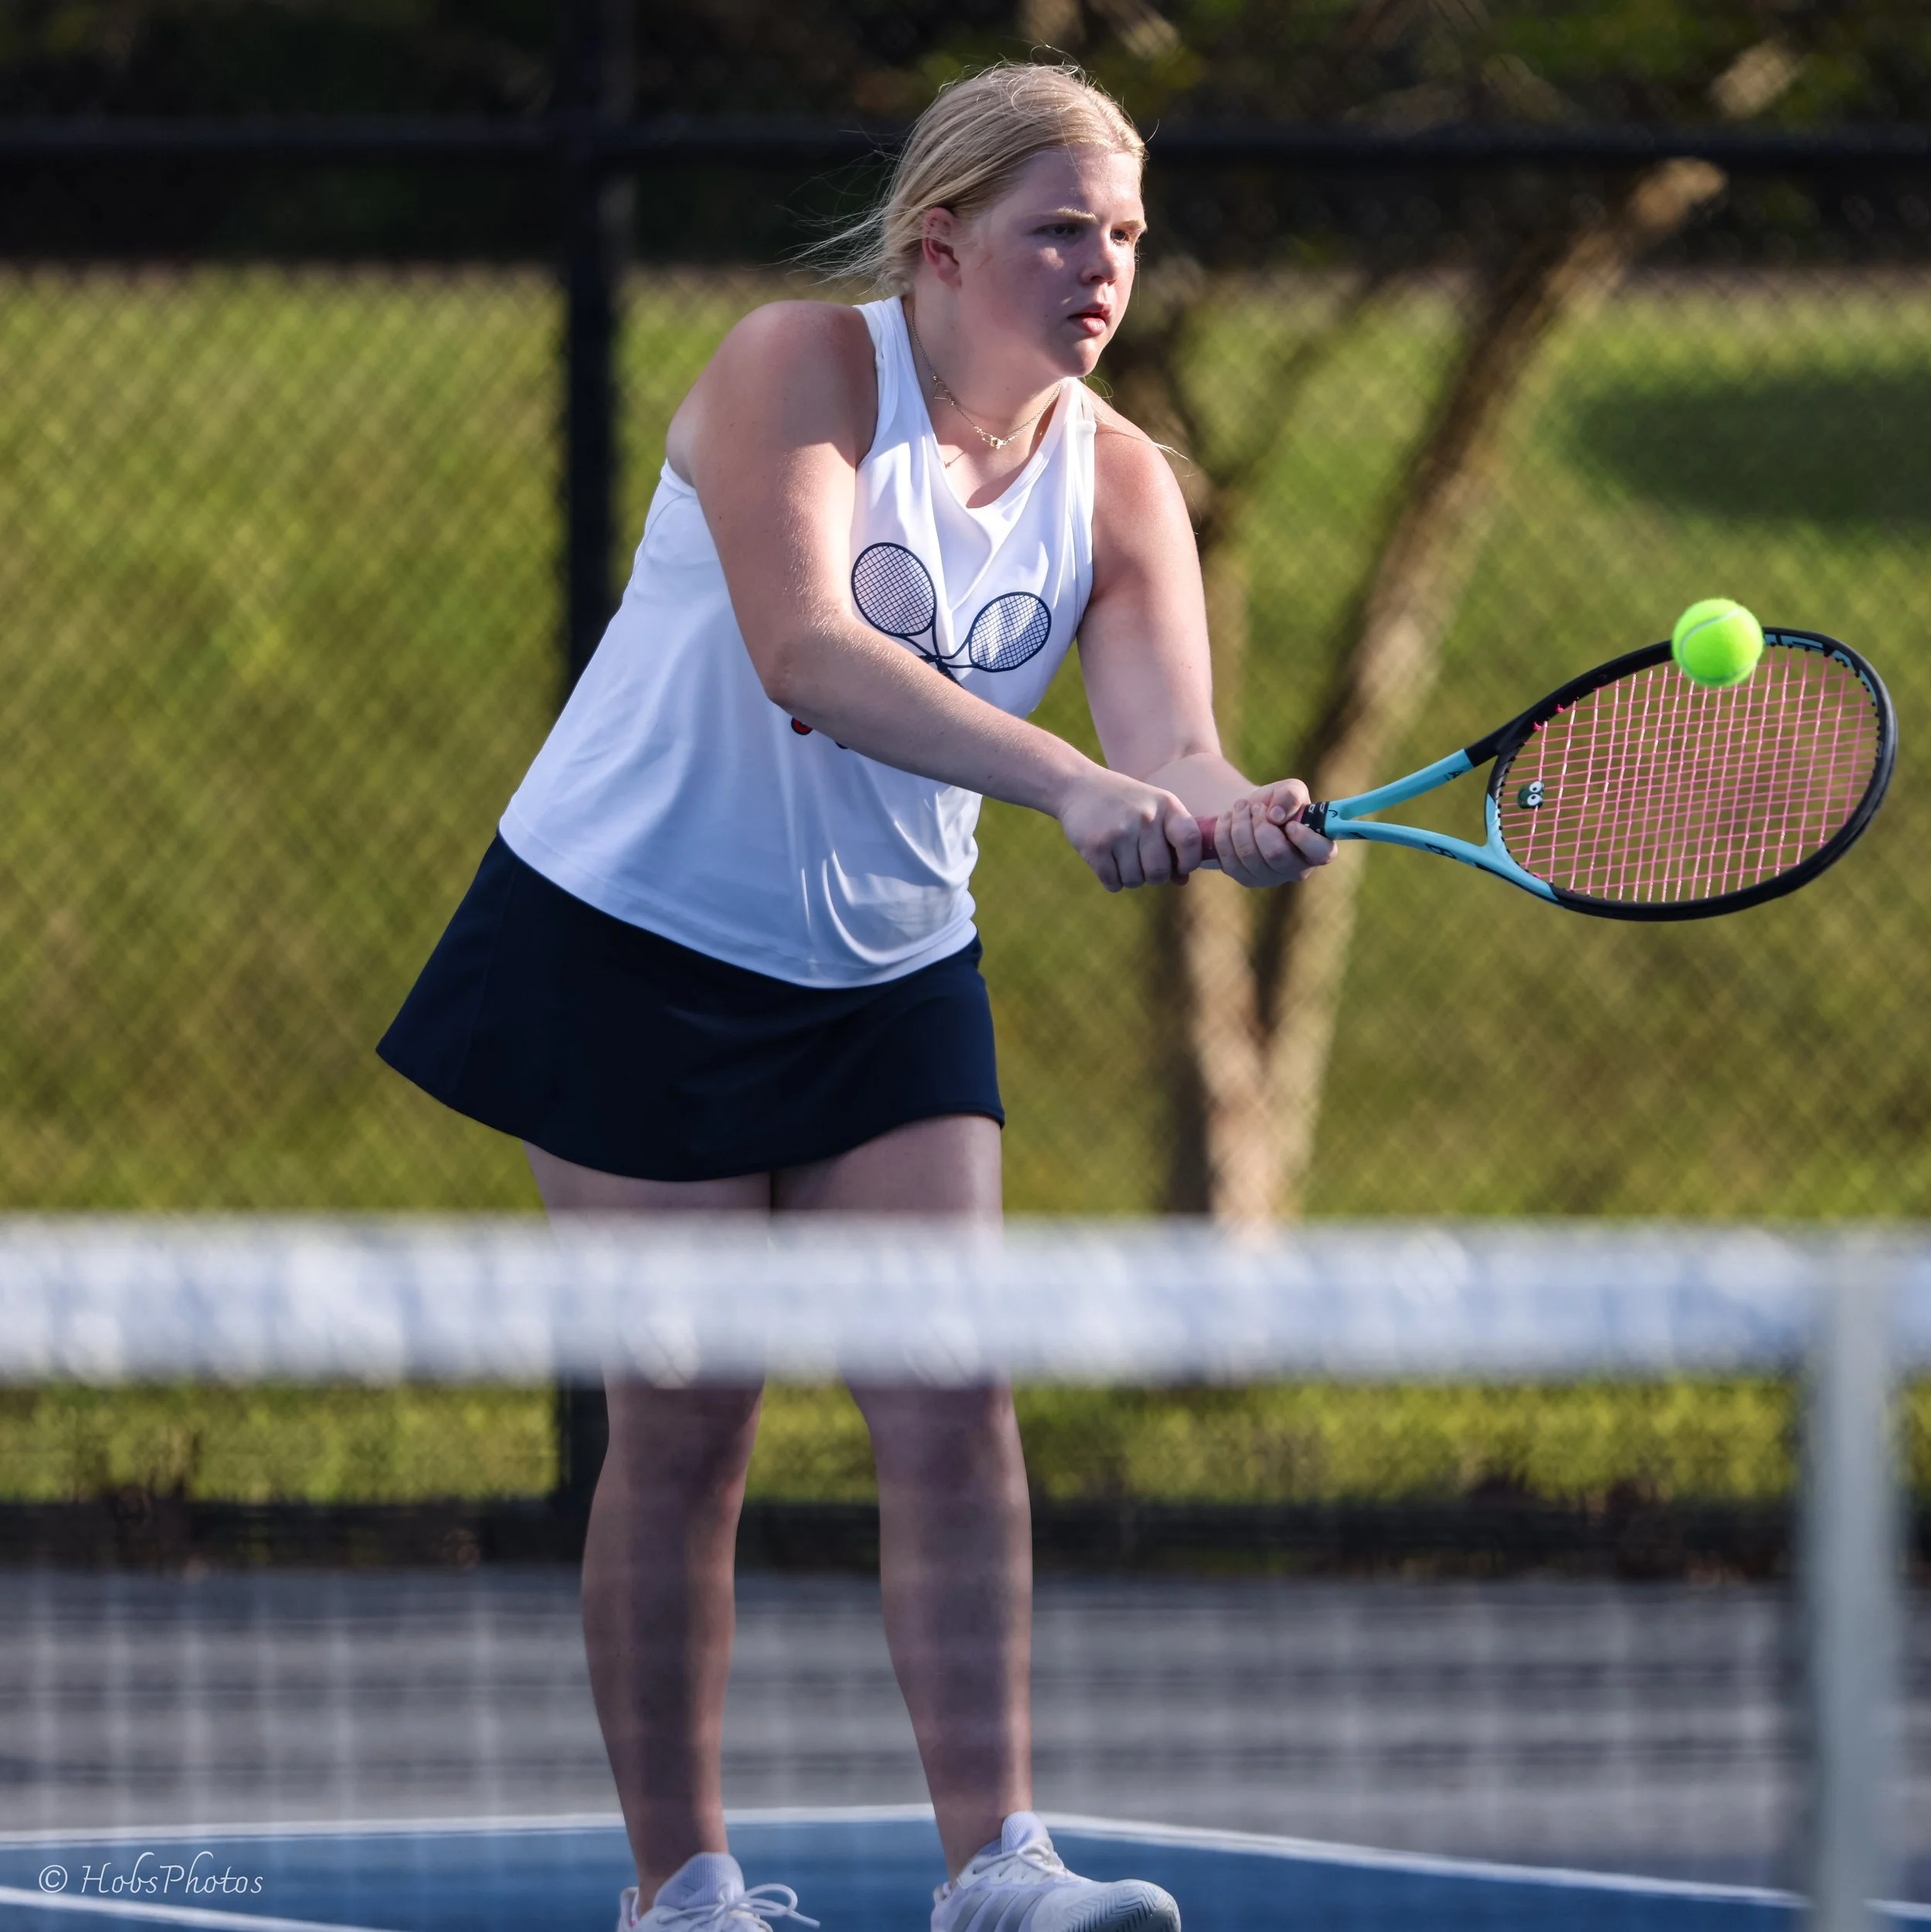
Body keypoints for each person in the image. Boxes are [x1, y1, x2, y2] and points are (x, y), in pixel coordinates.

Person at [378, 59, 1332, 1932]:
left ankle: (996, 1864)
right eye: (1060, 229)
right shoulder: (796, 370)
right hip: (627, 943)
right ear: (940, 242)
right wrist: (1069, 785)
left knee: (954, 1394)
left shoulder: (1120, 483)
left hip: (886, 971)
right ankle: (683, 1886)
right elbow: (806, 649)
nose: (1101, 267)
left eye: (1125, 233)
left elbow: (1174, 743)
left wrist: (1228, 809)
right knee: (686, 1417)